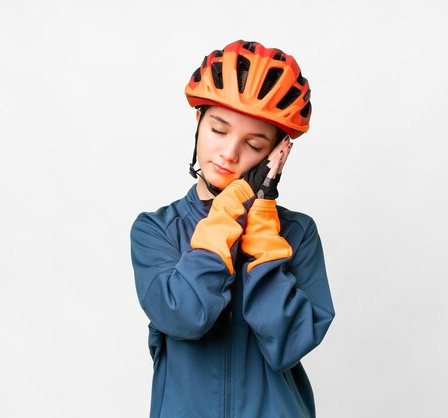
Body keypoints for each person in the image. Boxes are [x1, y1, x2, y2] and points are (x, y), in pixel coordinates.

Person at [130, 39, 335, 418]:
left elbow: (288, 341)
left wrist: (261, 233)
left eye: (254, 144)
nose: (228, 153)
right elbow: (185, 315)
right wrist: (224, 216)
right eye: (219, 130)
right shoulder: (155, 230)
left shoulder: (297, 234)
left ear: (277, 155)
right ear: (198, 122)